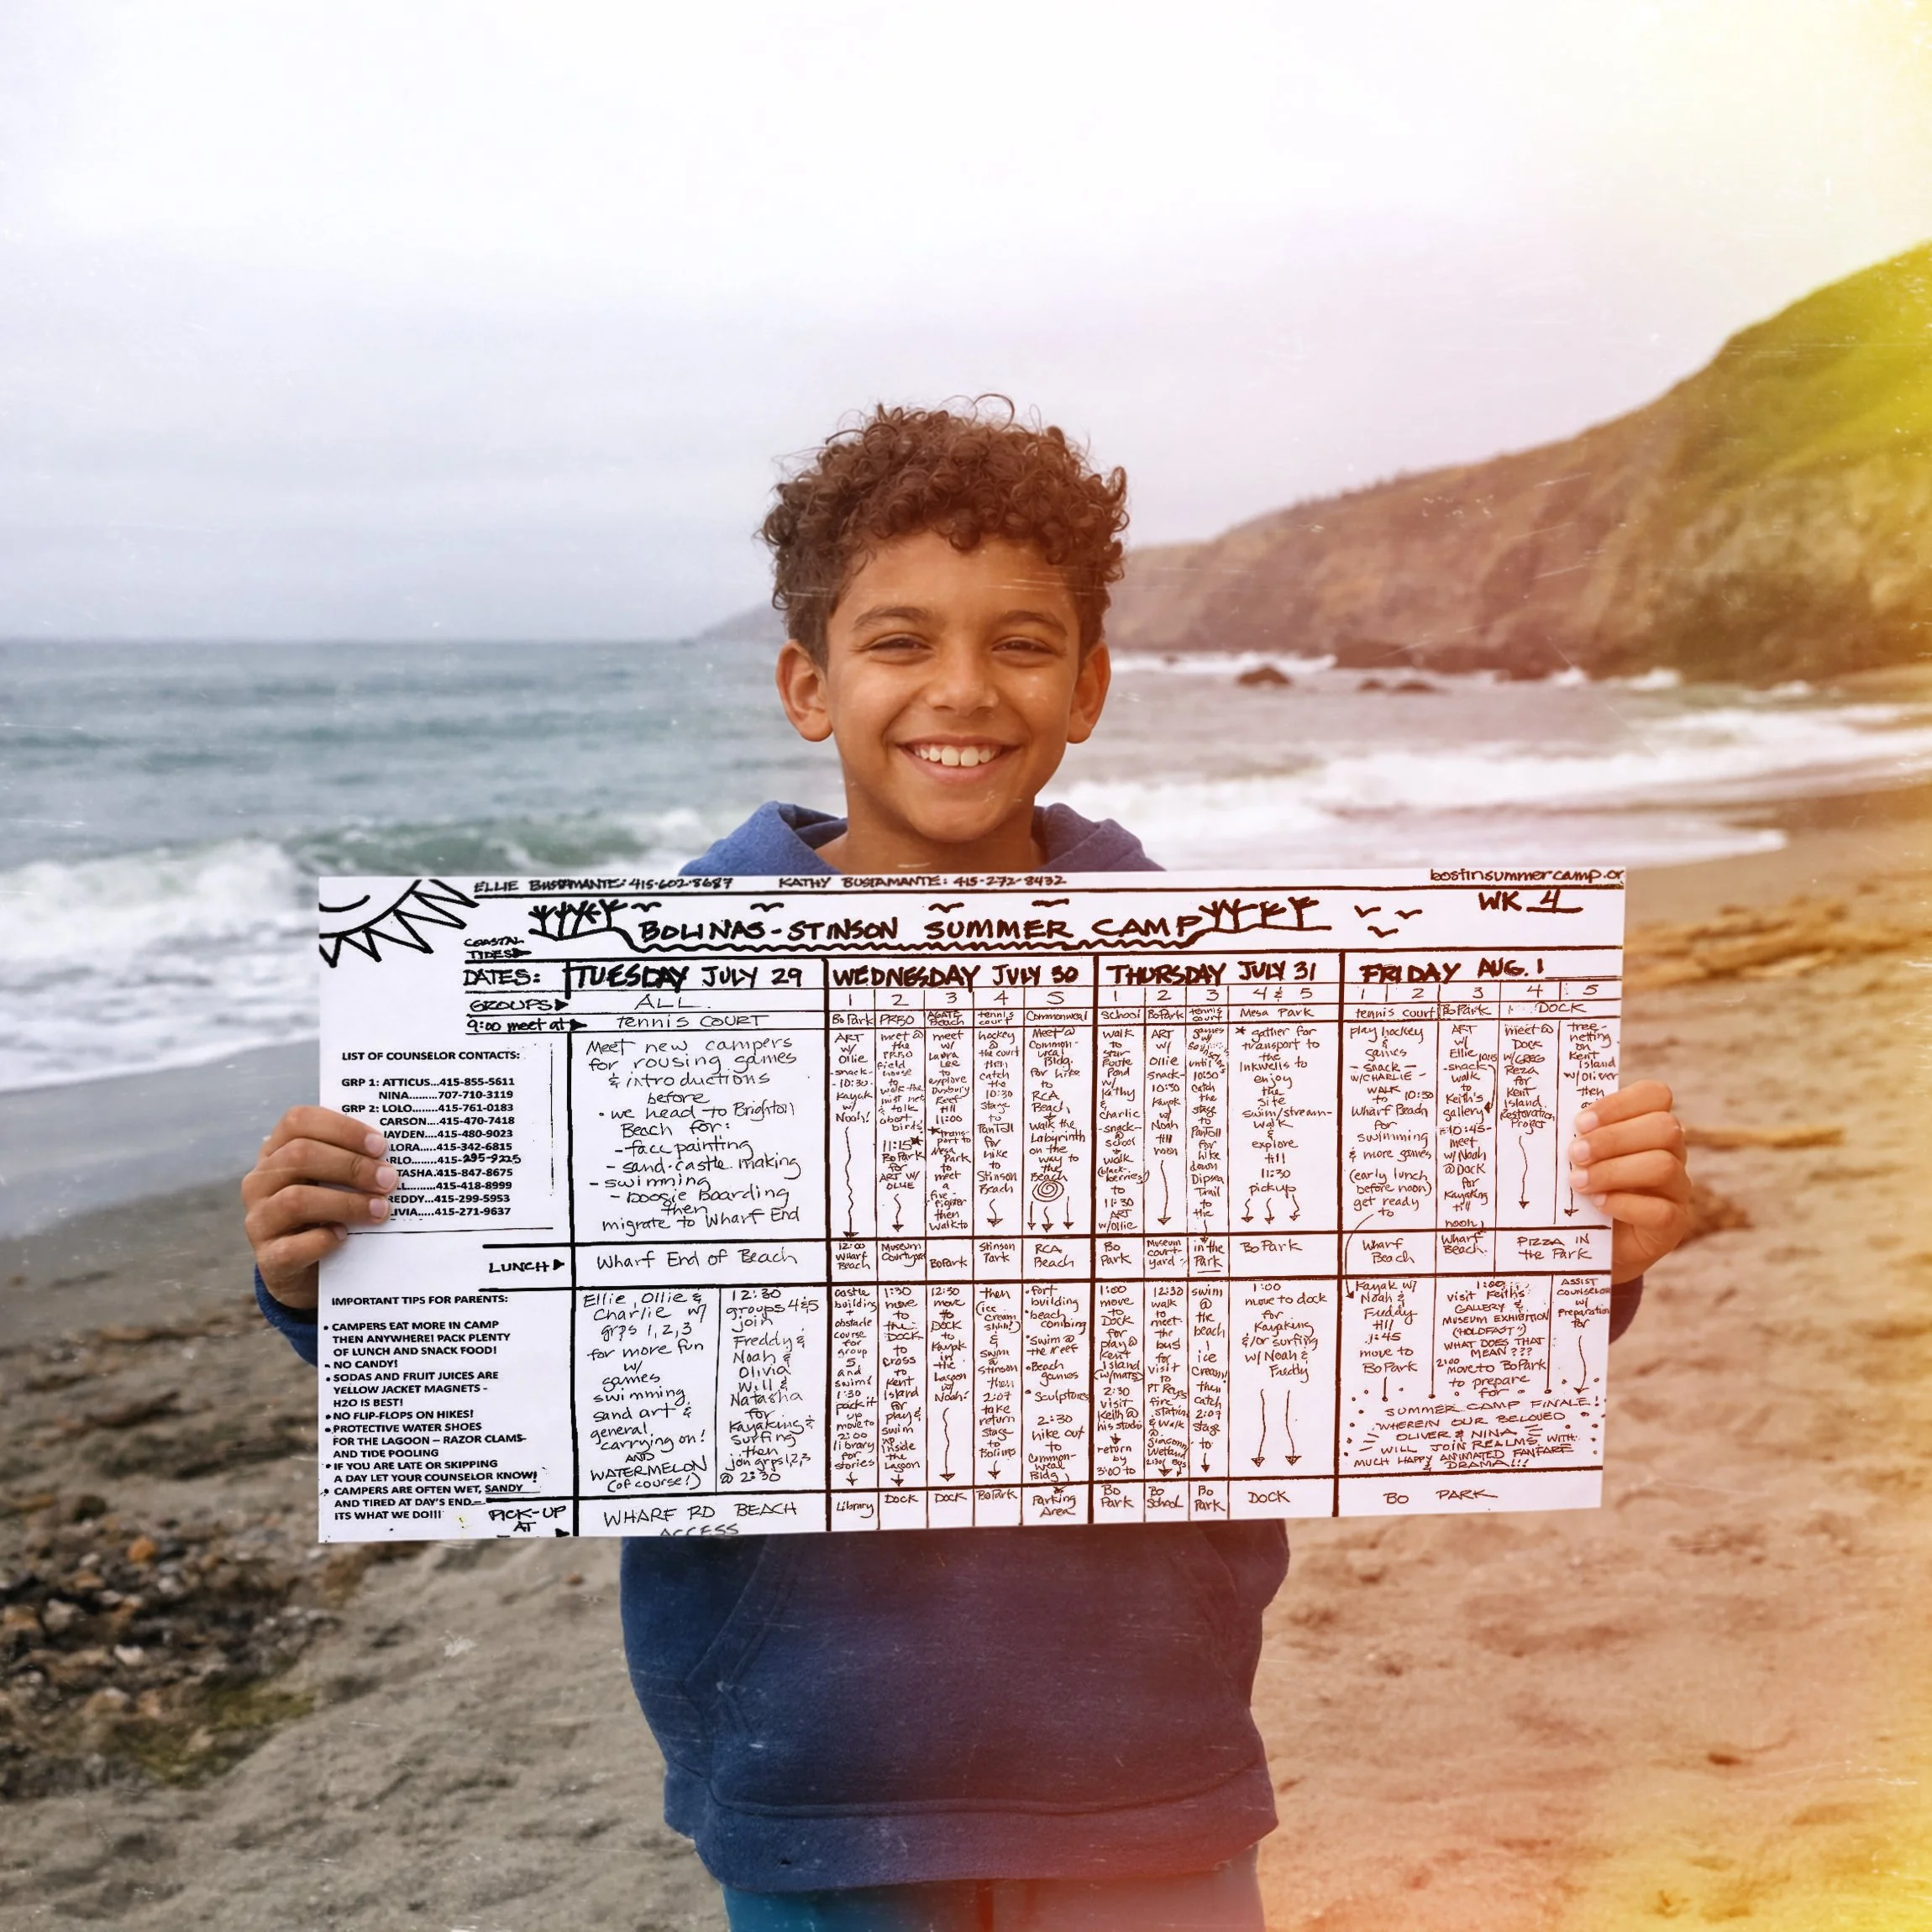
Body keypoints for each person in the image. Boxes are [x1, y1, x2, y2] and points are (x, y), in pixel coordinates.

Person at [243, 402, 1694, 1931]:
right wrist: (328, 1276)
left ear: (1088, 686)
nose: (960, 690)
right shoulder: (629, 996)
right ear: (810, 684)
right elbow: (523, 1334)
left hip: (1145, 1760)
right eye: (897, 642)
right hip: (814, 1777)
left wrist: (1572, 1264)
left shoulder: (1222, 989)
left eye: (1018, 643)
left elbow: (1361, 1317)